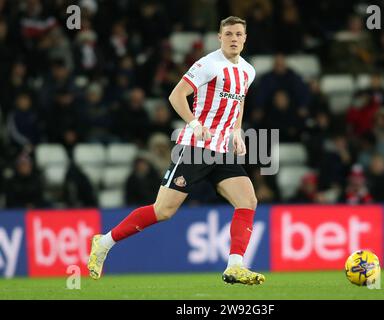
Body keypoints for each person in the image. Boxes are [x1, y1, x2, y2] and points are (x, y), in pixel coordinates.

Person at [88, 16, 265, 285]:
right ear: (219, 37)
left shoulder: (248, 71)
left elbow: (238, 104)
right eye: (228, 33)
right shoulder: (208, 64)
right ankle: (104, 243)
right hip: (195, 148)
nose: (233, 38)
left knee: (248, 200)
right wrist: (194, 124)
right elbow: (176, 95)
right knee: (163, 210)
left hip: (221, 150)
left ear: (245, 37)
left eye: (238, 34)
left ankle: (235, 266)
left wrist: (237, 132)